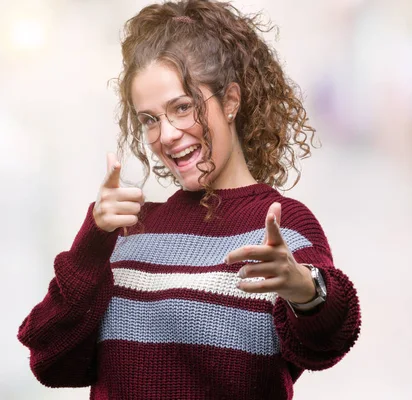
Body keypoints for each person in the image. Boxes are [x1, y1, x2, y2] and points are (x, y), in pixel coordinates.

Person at [17, 1, 361, 399]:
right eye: (149, 119)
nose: (166, 135)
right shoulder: (127, 229)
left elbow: (331, 340)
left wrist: (306, 289)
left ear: (230, 101)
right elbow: (50, 359)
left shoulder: (281, 226)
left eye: (182, 108)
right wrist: (93, 241)